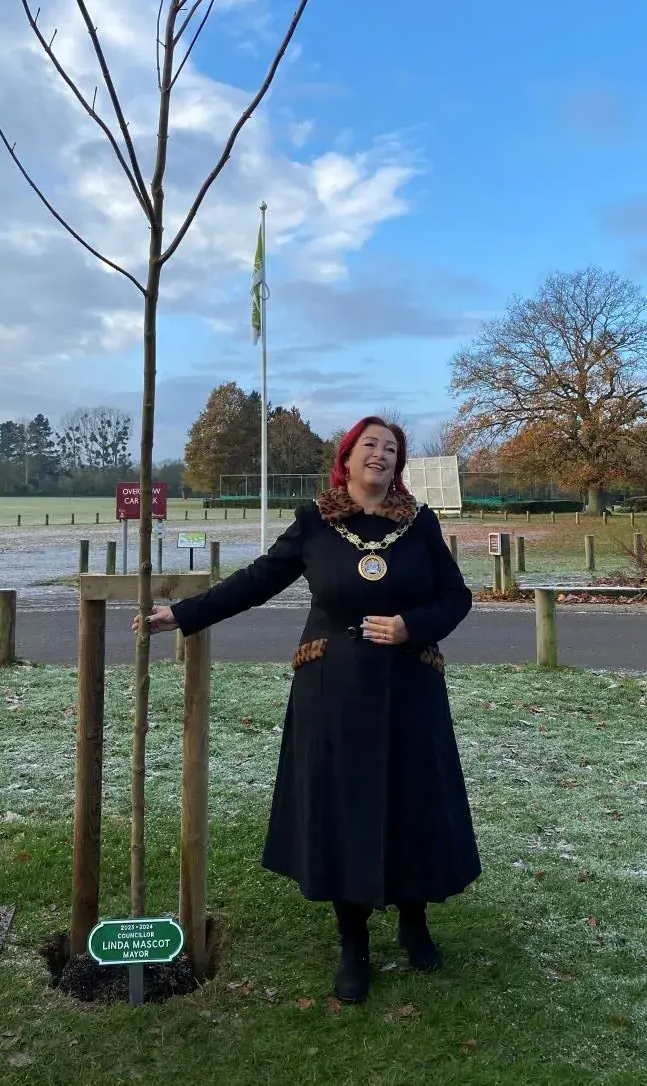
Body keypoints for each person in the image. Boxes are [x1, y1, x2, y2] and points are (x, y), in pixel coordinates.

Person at [139, 416, 480, 1003]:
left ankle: (414, 919)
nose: (380, 455)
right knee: (345, 808)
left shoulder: (420, 525)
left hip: (410, 689)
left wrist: (411, 626)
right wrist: (187, 613)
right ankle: (352, 941)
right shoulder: (315, 523)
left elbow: (456, 596)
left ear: (398, 465)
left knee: (411, 802)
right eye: (369, 445)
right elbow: (259, 579)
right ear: (346, 458)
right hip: (335, 691)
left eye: (391, 449)